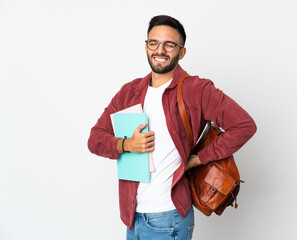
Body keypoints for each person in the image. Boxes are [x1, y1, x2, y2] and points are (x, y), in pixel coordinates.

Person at [88, 15, 256, 240]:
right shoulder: (129, 91)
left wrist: (199, 158)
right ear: (146, 47)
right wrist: (126, 144)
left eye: (169, 44)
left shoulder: (196, 89)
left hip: (169, 218)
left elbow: (244, 125)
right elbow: (95, 139)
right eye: (153, 43)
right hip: (132, 217)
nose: (160, 50)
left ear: (181, 52)